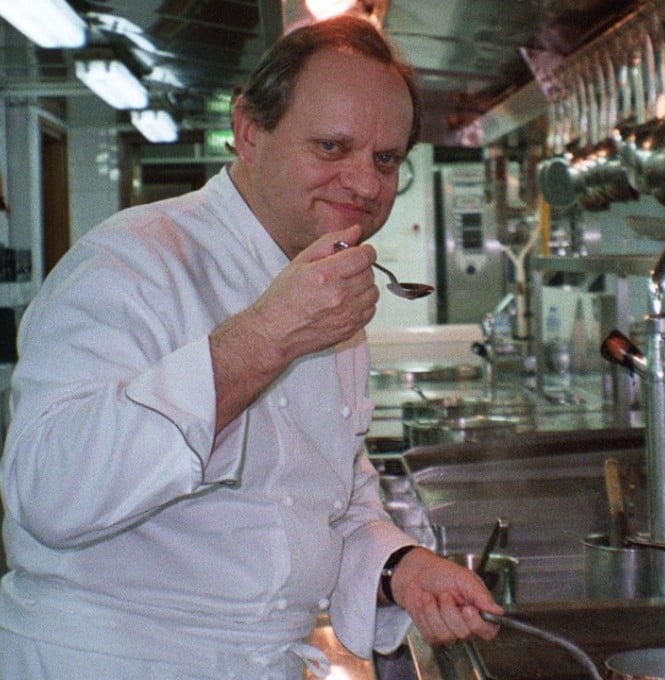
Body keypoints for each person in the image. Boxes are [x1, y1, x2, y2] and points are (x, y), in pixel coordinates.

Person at [0, 14, 502, 679]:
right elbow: (48, 492)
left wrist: (400, 567)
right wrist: (264, 338)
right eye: (331, 147)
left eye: (386, 159)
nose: (364, 183)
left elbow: (320, 492)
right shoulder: (130, 263)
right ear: (248, 130)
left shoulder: (323, 278)